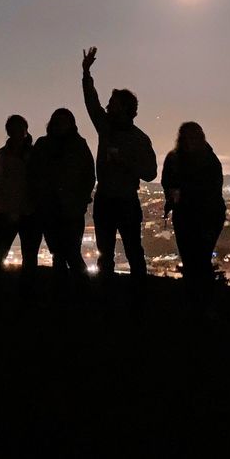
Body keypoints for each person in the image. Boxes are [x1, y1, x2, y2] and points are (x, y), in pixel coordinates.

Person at [80, 47, 158, 304]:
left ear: (124, 109)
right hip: (106, 198)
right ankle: (107, 295)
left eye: (112, 104)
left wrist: (125, 162)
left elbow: (150, 172)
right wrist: (86, 73)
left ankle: (138, 296)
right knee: (106, 253)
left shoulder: (138, 139)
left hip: (125, 199)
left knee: (134, 250)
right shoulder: (106, 128)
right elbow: (92, 103)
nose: (107, 106)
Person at [29, 108, 95, 301]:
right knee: (60, 252)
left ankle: (76, 292)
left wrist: (81, 199)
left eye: (65, 122)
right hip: (51, 208)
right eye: (58, 122)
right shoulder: (44, 145)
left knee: (70, 252)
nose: (61, 126)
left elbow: (89, 176)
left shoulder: (77, 146)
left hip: (70, 208)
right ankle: (70, 292)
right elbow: (33, 173)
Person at [161, 122, 227, 303]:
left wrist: (182, 193)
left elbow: (212, 190)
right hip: (186, 215)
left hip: (207, 216)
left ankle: (200, 299)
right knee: (191, 259)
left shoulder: (208, 160)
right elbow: (167, 182)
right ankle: (197, 299)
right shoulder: (176, 159)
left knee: (200, 258)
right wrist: (173, 194)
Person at [0, 115, 40, 303]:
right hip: (18, 213)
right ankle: (23, 297)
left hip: (21, 213)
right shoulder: (28, 155)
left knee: (5, 256)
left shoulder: (5, 155)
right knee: (23, 257)